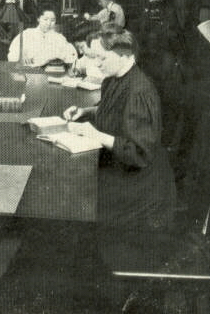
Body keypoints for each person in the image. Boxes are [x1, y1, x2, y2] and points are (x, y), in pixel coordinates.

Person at [61, 29, 175, 231]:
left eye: (102, 58)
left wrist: (96, 135)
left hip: (139, 182)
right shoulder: (113, 79)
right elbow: (114, 110)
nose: (97, 63)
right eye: (95, 57)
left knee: (74, 197)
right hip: (121, 166)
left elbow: (139, 154)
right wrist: (85, 111)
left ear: (124, 56)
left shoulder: (139, 91)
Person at [7, 7, 77, 66]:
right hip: (29, 73)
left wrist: (58, 56)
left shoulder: (59, 38)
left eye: (52, 20)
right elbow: (12, 54)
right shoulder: (27, 34)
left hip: (52, 73)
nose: (49, 23)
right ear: (38, 19)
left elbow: (72, 56)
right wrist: (21, 57)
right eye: (45, 19)